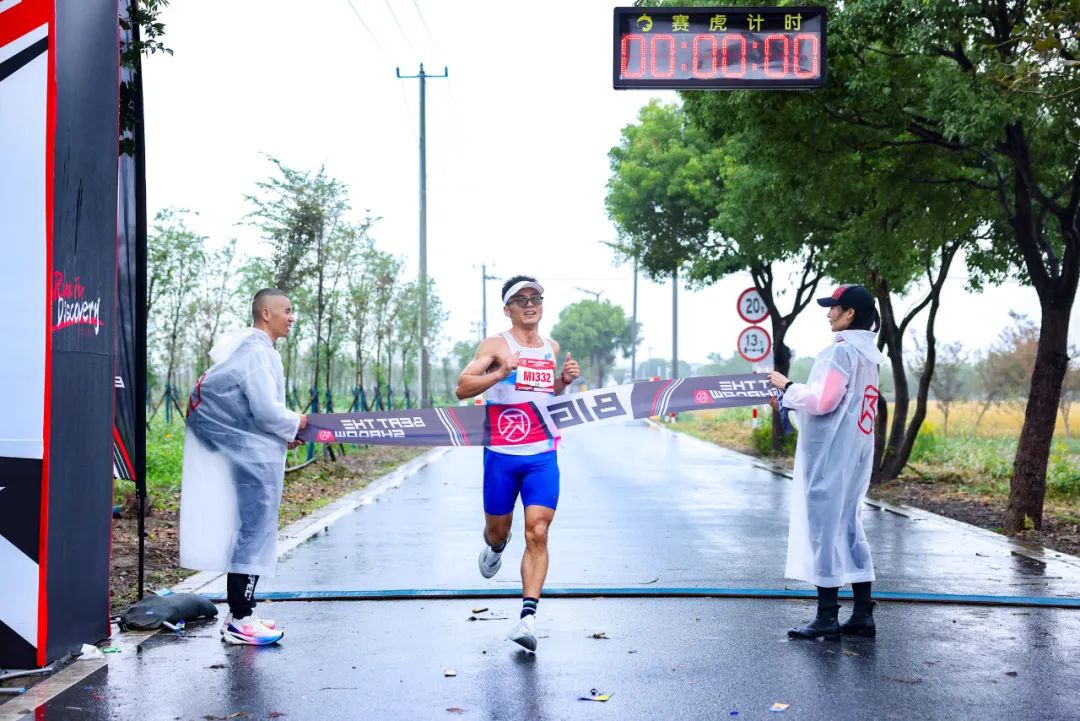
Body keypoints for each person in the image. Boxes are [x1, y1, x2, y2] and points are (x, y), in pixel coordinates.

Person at [455, 275, 581, 652]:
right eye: (521, 300)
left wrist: (562, 382)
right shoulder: (496, 345)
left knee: (538, 531)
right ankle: (496, 548)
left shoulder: (551, 347)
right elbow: (462, 387)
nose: (530, 305)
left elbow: (544, 393)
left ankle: (527, 618)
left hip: (542, 453)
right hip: (502, 454)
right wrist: (500, 372)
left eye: (535, 298)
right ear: (507, 309)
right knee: (498, 532)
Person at [179, 288, 307, 646]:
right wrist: (295, 422)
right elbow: (265, 411)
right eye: (286, 310)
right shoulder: (255, 353)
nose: (291, 317)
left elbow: (249, 409)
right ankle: (240, 618)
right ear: (266, 314)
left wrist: (284, 434)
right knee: (254, 528)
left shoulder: (255, 350)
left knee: (253, 526)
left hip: (246, 447)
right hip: (248, 452)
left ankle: (241, 612)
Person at [767, 284, 885, 641]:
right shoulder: (869, 356)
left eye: (834, 307)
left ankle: (826, 618)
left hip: (831, 456)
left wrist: (788, 388)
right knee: (849, 527)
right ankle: (862, 615)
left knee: (824, 529)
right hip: (856, 451)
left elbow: (824, 401)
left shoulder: (841, 352)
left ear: (850, 313)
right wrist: (789, 401)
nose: (829, 314)